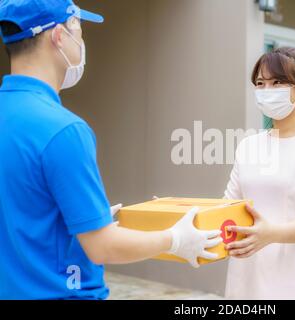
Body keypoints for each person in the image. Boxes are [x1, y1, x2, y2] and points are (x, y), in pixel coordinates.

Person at [0, 0, 222, 300]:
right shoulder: (64, 130)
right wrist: (175, 239)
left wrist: (84, 215)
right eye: (78, 30)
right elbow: (102, 246)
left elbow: (22, 208)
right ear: (58, 36)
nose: (81, 42)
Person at [223, 47, 295, 300]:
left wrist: (271, 234)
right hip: (244, 276)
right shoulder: (248, 145)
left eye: (277, 82)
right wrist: (180, 214)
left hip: (293, 282)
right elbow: (227, 206)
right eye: (260, 83)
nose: (267, 90)